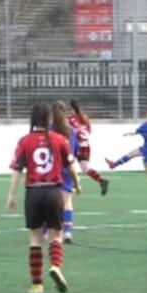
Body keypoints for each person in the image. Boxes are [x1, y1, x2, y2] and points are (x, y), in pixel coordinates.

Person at [6, 103, 80, 293]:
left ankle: (37, 285)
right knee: (57, 235)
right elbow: (71, 167)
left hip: (33, 193)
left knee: (35, 239)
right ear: (49, 119)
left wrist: (11, 196)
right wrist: (77, 184)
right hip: (54, 192)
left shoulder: (24, 141)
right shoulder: (60, 140)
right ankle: (55, 266)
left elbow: (16, 171)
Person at [68, 99, 109, 196]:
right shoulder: (85, 117)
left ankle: (72, 185)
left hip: (77, 145)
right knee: (85, 168)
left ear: (71, 108)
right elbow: (89, 131)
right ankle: (101, 180)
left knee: (68, 165)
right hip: (86, 145)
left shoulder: (70, 120)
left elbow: (71, 133)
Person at [52, 101, 79, 244]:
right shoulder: (71, 131)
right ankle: (67, 231)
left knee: (51, 201)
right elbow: (73, 153)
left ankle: (47, 229)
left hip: (52, 169)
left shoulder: (49, 130)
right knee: (67, 201)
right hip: (67, 169)